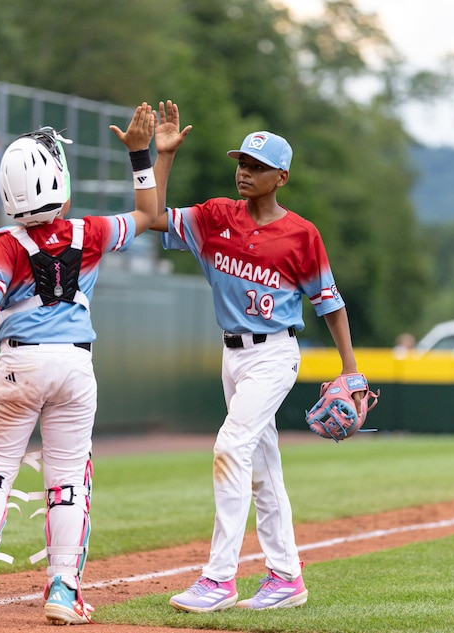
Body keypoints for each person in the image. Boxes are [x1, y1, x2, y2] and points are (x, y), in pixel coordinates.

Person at [0, 104, 156, 626]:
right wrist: (140, 154)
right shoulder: (92, 232)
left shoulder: (6, 246)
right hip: (75, 367)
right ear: (58, 177)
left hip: (19, 365)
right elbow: (151, 214)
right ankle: (63, 588)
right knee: (67, 480)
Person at [151, 101, 364, 612]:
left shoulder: (302, 235)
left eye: (257, 166)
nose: (244, 172)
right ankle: (287, 577)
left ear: (281, 177)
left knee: (229, 448)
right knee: (263, 469)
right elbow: (153, 215)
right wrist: (161, 158)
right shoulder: (214, 216)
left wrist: (351, 370)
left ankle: (219, 579)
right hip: (233, 358)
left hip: (274, 355)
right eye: (242, 162)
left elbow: (331, 306)